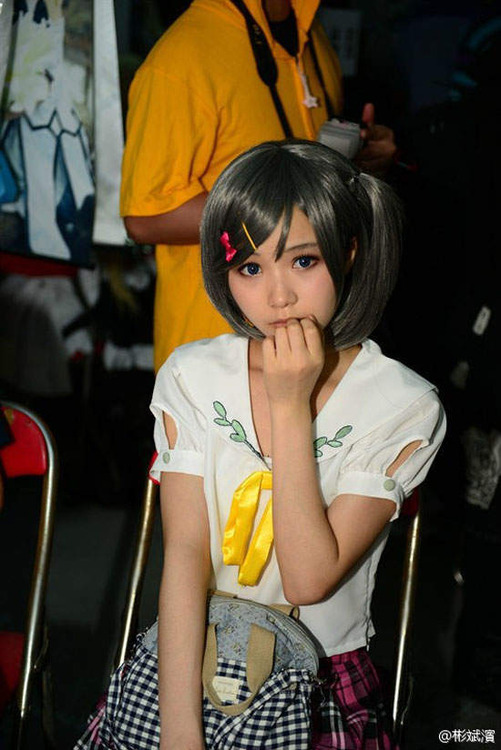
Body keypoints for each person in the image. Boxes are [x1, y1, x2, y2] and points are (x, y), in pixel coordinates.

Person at [75, 140, 444, 750]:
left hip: (320, 682)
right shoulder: (193, 375)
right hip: (189, 660)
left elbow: (307, 580)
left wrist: (289, 404)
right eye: (249, 267)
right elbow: (185, 556)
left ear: (349, 252)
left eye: (303, 261)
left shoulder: (402, 404)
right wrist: (181, 734)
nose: (278, 296)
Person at [120, 0, 397, 372]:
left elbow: (315, 175)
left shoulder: (312, 35)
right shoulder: (182, 56)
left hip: (319, 342)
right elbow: (145, 217)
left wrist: (358, 162)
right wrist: (285, 205)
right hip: (219, 354)